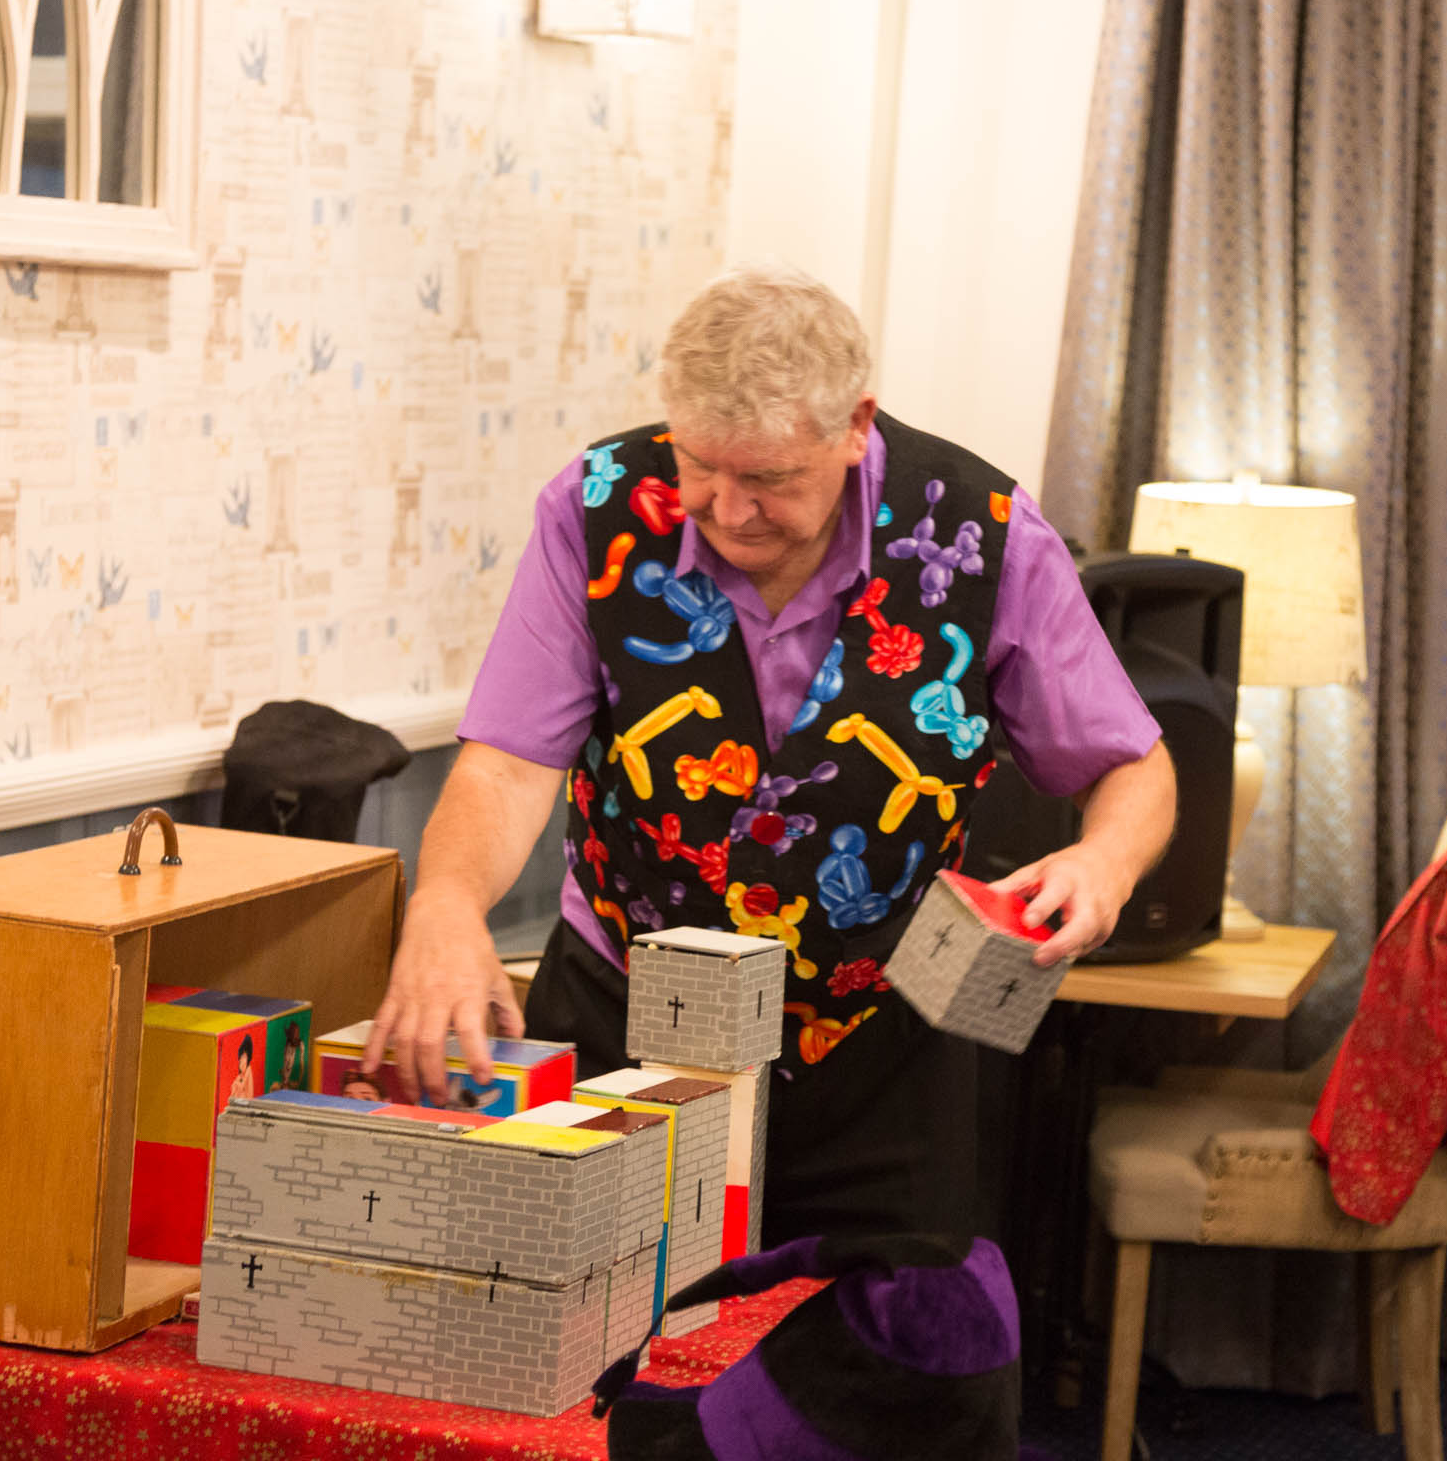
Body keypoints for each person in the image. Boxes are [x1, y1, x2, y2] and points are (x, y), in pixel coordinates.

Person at [365, 264, 1175, 1240]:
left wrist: (1105, 861)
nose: (727, 507)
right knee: (596, 1322)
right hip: (624, 1017)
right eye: (701, 465)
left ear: (856, 425)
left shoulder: (981, 534)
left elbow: (1131, 764)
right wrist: (447, 902)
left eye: (771, 479)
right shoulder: (596, 507)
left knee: (890, 1327)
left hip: (881, 1043)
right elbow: (506, 764)